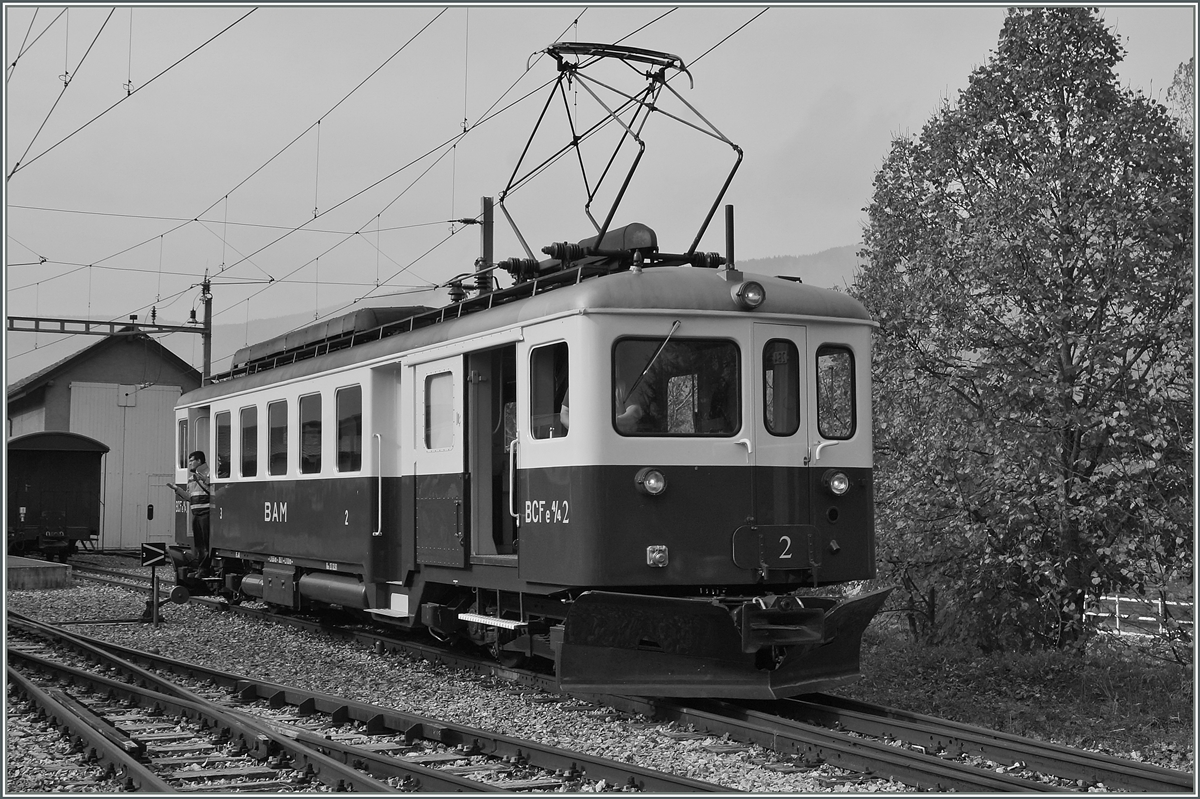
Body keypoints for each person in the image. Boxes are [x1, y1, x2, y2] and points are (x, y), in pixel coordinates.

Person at [169, 450, 212, 573]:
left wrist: (206, 480)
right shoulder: (191, 478)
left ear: (199, 461)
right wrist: (177, 490)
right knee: (199, 544)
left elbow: (215, 488)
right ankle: (200, 567)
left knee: (205, 543)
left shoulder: (210, 473)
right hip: (196, 514)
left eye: (192, 461)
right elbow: (190, 497)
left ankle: (204, 569)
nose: (190, 464)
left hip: (206, 513)